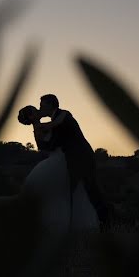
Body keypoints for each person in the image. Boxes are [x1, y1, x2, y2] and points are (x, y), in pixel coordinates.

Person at [32, 94, 112, 230]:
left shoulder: (64, 114)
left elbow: (55, 125)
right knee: (77, 191)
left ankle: (106, 222)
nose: (40, 109)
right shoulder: (55, 123)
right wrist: (35, 125)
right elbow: (46, 146)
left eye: (42, 106)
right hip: (72, 160)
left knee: (91, 190)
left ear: (50, 105)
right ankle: (73, 225)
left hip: (83, 157)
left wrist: (38, 123)